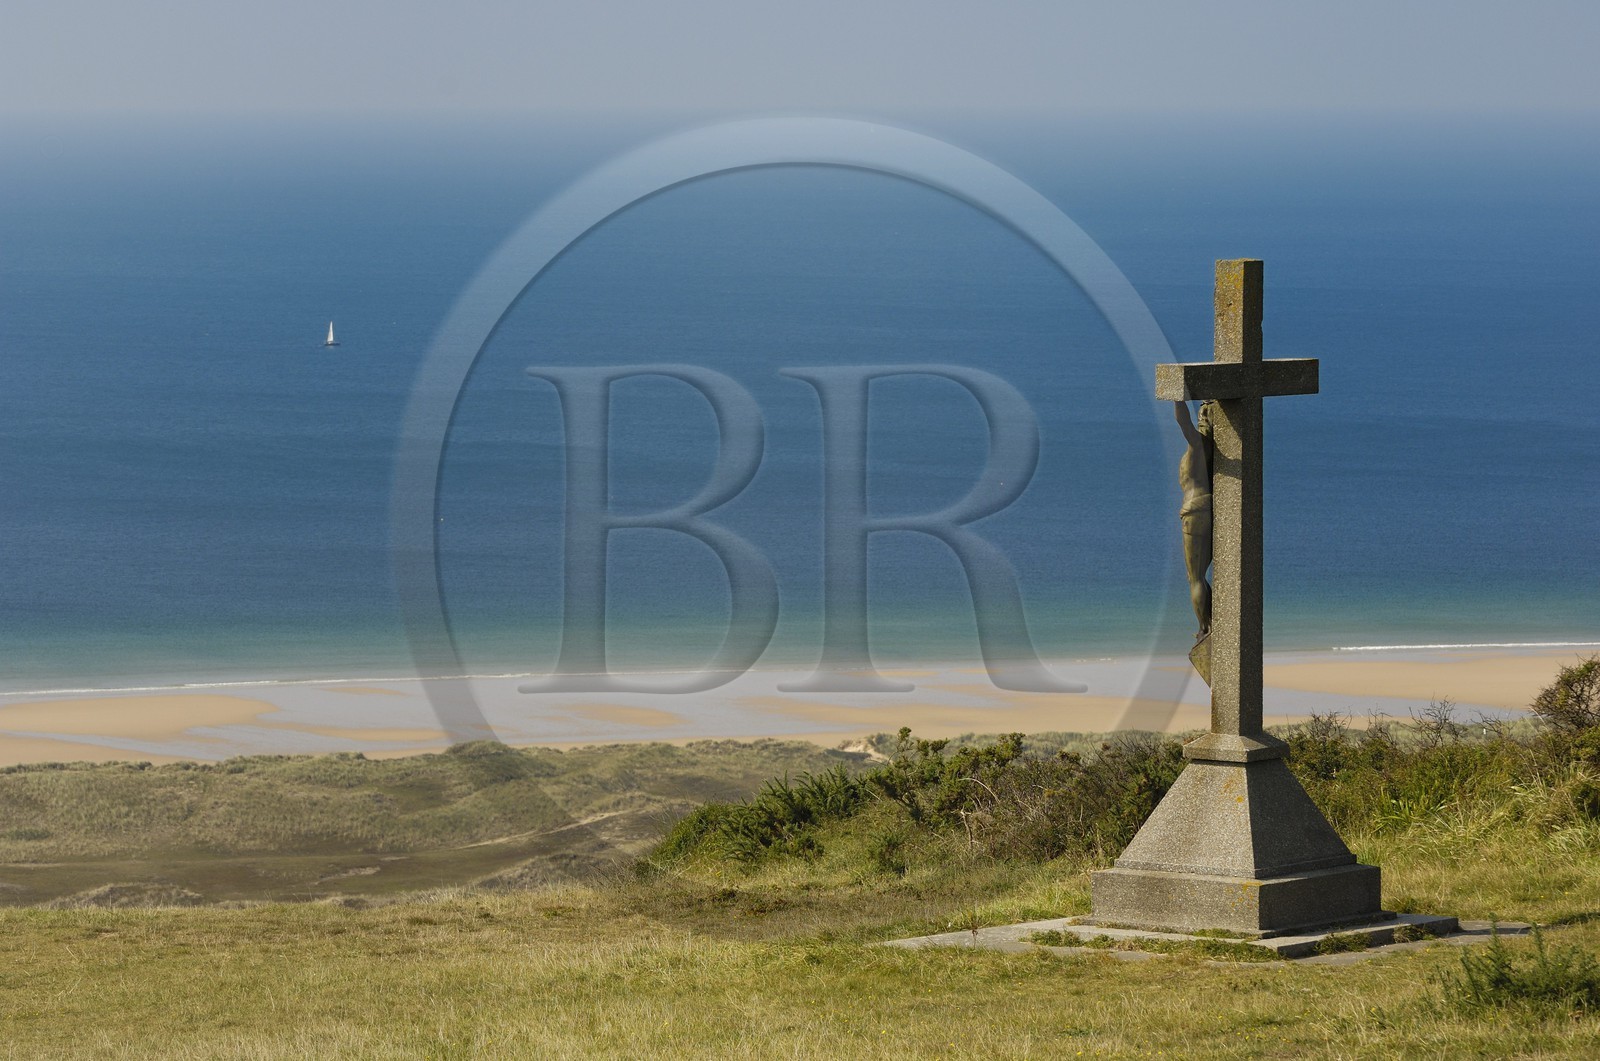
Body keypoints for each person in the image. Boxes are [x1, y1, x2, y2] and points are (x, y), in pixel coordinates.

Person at [1174, 400, 1215, 638]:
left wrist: (1177, 396)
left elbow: (1182, 421)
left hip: (1194, 511)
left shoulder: (1199, 445)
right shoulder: (1207, 449)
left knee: (1195, 577)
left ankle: (1204, 627)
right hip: (1206, 507)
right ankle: (1209, 619)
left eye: (1204, 415)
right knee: (1200, 574)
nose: (1200, 419)